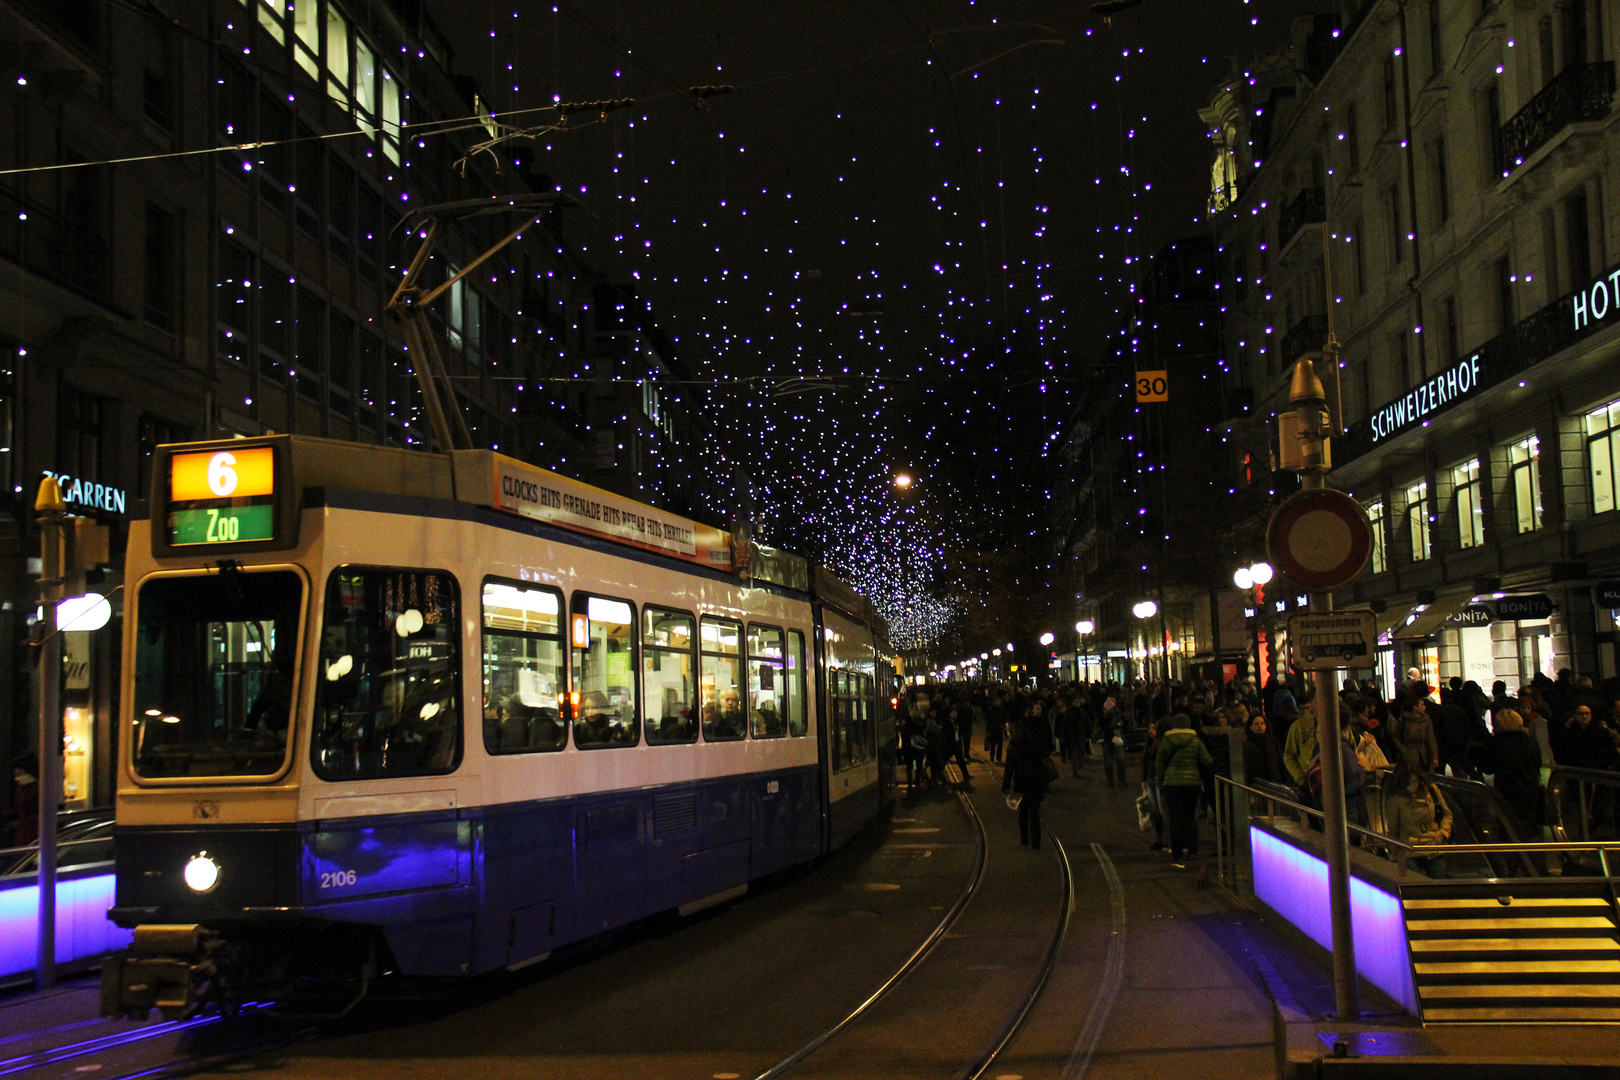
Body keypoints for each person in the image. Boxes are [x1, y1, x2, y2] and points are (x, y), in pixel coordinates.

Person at [1155, 713, 1212, 867]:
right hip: (1191, 783)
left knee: (1175, 818)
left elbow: (1159, 764)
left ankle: (1177, 853)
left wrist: (1160, 781)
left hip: (1171, 784)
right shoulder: (1195, 740)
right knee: (1189, 817)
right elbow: (1207, 760)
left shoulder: (1166, 740)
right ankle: (1193, 850)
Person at [1480, 708, 1542, 841]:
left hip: (1506, 790)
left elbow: (1488, 768)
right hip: (1530, 788)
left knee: (1508, 828)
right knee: (1527, 828)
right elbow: (1538, 763)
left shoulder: (1496, 744)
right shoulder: (1529, 741)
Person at [1383, 767, 1452, 877]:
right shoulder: (1396, 798)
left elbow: (1446, 814)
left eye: (1415, 781)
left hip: (1434, 845)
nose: (1412, 786)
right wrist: (1395, 854)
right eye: (1408, 783)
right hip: (1410, 850)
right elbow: (1392, 829)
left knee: (1439, 885)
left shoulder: (1430, 790)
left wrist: (1443, 833)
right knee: (1419, 884)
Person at [1002, 711, 1053, 849]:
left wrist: (1005, 786)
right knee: (1035, 814)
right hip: (1036, 782)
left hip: (1022, 782)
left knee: (1023, 812)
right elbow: (1044, 755)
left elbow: (1009, 769)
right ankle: (1036, 841)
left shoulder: (1013, 747)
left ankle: (1024, 838)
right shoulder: (1033, 742)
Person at [1392, 691, 1440, 774]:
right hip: (1409, 755)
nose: (1424, 707)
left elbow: (1431, 739)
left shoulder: (1426, 719)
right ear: (1415, 707)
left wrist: (1434, 756)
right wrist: (1404, 750)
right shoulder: (1404, 719)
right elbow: (1396, 737)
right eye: (1422, 705)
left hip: (1424, 756)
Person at [1101, 696, 1128, 788]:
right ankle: (1121, 781)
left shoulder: (1106, 714)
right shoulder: (1118, 713)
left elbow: (1103, 727)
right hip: (1115, 738)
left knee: (1110, 761)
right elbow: (1125, 724)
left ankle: (1111, 782)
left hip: (1108, 739)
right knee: (1120, 760)